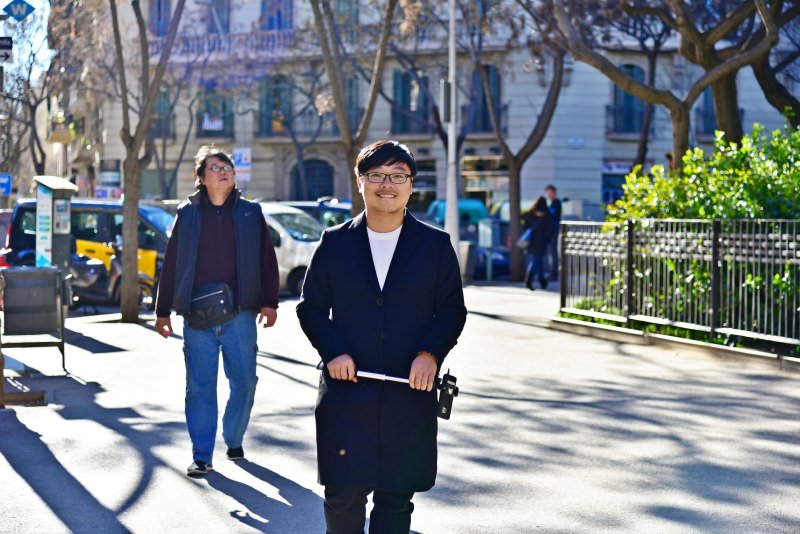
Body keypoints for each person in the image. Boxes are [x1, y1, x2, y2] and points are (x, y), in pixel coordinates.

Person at [296, 140, 467, 533]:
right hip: (346, 392)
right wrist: (335, 352)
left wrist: (430, 354)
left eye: (397, 176)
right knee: (343, 497)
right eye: (376, 175)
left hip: (408, 392)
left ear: (411, 185)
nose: (386, 184)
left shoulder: (435, 245)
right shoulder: (335, 242)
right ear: (360, 182)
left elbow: (452, 311)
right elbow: (310, 307)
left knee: (395, 501)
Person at [154, 145, 280, 477]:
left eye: (227, 166)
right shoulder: (188, 213)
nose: (223, 171)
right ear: (201, 178)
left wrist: (270, 302)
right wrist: (162, 310)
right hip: (197, 317)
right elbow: (173, 263)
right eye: (214, 167)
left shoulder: (251, 213)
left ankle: (234, 436)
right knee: (199, 387)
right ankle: (201, 455)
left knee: (245, 382)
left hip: (241, 314)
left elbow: (267, 259)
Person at [522, 196, 554, 290]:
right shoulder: (547, 215)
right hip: (541, 242)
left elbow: (525, 226)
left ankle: (541, 280)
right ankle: (529, 281)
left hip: (531, 242)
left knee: (537, 261)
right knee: (537, 261)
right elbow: (550, 230)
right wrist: (548, 239)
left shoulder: (530, 213)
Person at [544, 184, 562, 281]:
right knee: (551, 252)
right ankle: (552, 272)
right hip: (551, 230)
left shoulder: (556, 203)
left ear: (554, 193)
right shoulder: (552, 203)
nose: (548, 195)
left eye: (550, 193)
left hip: (554, 230)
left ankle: (554, 273)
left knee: (553, 252)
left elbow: (552, 215)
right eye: (547, 193)